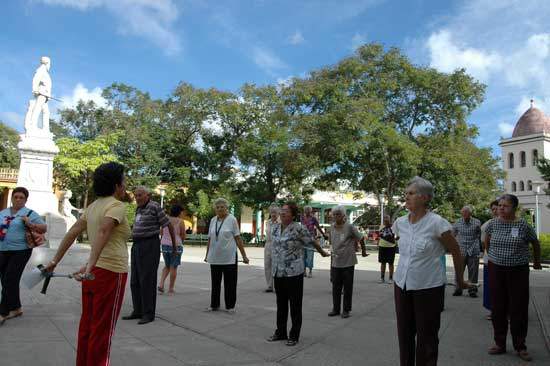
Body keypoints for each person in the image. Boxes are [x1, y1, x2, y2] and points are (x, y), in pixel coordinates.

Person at [44, 162, 131, 366]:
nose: (125, 185)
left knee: (88, 327)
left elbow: (73, 231)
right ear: (117, 185)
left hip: (94, 273)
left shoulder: (93, 206)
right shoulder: (116, 206)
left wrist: (55, 261)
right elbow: (103, 231)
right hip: (111, 273)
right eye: (124, 181)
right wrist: (90, 265)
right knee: (103, 330)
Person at [393, 177, 469, 366]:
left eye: (411, 193)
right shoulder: (400, 222)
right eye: (406, 193)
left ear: (425, 198)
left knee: (427, 337)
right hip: (401, 284)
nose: (406, 196)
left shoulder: (437, 223)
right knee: (404, 334)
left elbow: (456, 251)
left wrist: (460, 280)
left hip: (428, 287)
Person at [484, 194, 542, 362]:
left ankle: (520, 346)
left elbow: (535, 243)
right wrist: (493, 257)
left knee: (518, 308)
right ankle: (499, 343)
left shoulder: (523, 225)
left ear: (514, 208)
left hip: (518, 271)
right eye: (500, 205)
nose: (501, 208)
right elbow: (487, 241)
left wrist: (537, 262)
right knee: (498, 307)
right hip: (497, 270)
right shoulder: (493, 223)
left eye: (505, 206)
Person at [267, 202, 329, 346]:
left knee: (295, 305)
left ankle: (294, 335)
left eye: (286, 211)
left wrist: (322, 252)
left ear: (293, 215)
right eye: (282, 210)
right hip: (278, 272)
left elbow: (312, 241)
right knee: (281, 304)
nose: (282, 213)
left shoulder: (299, 228)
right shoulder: (275, 227)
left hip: (293, 272)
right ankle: (280, 332)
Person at [123, 186, 177, 325]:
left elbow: (168, 226)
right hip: (137, 246)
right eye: (136, 195)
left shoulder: (154, 206)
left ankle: (148, 314)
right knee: (135, 280)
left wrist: (174, 246)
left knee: (147, 280)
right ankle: (138, 311)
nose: (137, 198)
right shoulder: (139, 208)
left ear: (148, 195)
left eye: (140, 195)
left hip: (149, 245)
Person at [0, 187, 47, 324]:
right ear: (12, 198)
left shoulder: (30, 213)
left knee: (10, 279)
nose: (18, 199)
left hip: (21, 250)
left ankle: (3, 312)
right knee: (5, 279)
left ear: (26, 200)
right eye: (16, 197)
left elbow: (44, 228)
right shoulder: (3, 213)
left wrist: (30, 223)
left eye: (21, 197)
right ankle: (16, 308)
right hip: (2, 249)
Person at [204, 198, 249, 312]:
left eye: (222, 207)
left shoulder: (232, 219)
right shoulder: (213, 220)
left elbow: (238, 238)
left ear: (226, 208)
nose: (219, 209)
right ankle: (214, 305)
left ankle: (230, 306)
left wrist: (244, 255)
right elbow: (210, 239)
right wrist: (207, 254)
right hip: (215, 257)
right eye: (217, 207)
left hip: (229, 257)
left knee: (230, 283)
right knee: (215, 283)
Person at [327, 205, 367, 318]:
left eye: (338, 214)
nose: (336, 216)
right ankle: (336, 309)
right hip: (336, 261)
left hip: (348, 261)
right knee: (336, 287)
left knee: (347, 287)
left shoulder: (349, 227)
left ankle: (346, 310)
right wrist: (330, 254)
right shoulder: (331, 227)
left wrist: (363, 251)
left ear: (343, 215)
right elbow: (332, 243)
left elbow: (361, 238)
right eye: (334, 214)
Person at [452, 206, 482, 297]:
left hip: (473, 249)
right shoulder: (457, 222)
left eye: (466, 213)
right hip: (461, 250)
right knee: (459, 271)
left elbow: (479, 235)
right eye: (463, 213)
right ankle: (458, 288)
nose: (464, 214)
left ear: (470, 214)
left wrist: (479, 249)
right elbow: (453, 235)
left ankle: (472, 290)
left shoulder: (477, 222)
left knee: (473, 272)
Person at [158, 205, 186, 295]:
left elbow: (161, 232)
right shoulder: (180, 221)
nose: (183, 214)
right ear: (179, 212)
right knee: (173, 267)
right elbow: (183, 235)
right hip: (176, 246)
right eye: (182, 212)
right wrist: (180, 242)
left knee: (167, 265)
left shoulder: (165, 219)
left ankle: (161, 284)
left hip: (165, 245)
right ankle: (171, 288)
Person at [481, 200, 498, 320]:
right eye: (493, 209)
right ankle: (493, 311)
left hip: (506, 263)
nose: (496, 210)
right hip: (490, 261)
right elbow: (484, 243)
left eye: (498, 208)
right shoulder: (487, 224)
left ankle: (506, 312)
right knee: (491, 287)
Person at [301, 206, 327, 278]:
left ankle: (310, 271)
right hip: (303, 239)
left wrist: (323, 234)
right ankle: (304, 271)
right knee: (303, 255)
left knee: (310, 255)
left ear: (310, 211)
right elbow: (301, 228)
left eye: (308, 211)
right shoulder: (302, 218)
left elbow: (318, 227)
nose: (307, 212)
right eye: (306, 211)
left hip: (311, 239)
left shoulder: (313, 218)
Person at [264, 204, 279, 293]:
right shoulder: (268, 222)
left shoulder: (280, 223)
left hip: (277, 245)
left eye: (275, 212)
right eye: (272, 212)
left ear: (278, 213)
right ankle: (269, 285)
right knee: (267, 265)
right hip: (268, 244)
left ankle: (277, 285)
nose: (273, 214)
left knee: (276, 266)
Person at [377, 214, 397, 284]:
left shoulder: (393, 226)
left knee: (391, 263)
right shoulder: (381, 226)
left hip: (391, 247)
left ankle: (390, 278)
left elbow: (398, 236)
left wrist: (394, 241)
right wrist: (378, 243)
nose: (385, 219)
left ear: (389, 219)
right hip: (382, 246)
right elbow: (379, 236)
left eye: (387, 218)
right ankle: (382, 278)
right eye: (384, 218)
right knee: (383, 263)